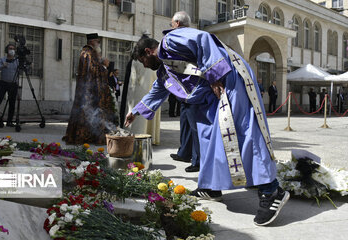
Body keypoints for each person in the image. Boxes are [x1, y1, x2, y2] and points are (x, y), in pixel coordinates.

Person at [125, 11, 289, 226]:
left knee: (244, 131)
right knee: (209, 138)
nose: (144, 66)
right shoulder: (164, 70)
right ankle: (211, 187)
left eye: (142, 61)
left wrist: (215, 75)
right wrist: (135, 111)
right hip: (211, 97)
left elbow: (203, 39)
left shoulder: (170, 40)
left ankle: (271, 190)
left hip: (229, 80)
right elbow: (157, 92)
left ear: (148, 51)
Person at [63, 33, 118, 144]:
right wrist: (105, 67)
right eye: (98, 41)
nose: (99, 44)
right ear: (92, 42)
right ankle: (89, 136)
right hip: (90, 92)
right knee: (90, 113)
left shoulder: (88, 53)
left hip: (87, 90)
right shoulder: (88, 53)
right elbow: (94, 71)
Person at [167, 11, 200, 172]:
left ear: (177, 23)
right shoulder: (178, 38)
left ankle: (197, 160)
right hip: (184, 92)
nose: (171, 27)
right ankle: (184, 152)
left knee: (195, 127)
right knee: (185, 124)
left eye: (172, 23)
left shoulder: (190, 38)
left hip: (195, 89)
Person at [0, 44, 18, 127]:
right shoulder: (2, 59)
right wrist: (3, 66)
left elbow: (22, 69)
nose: (12, 50)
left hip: (13, 84)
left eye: (13, 49)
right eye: (10, 48)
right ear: (7, 50)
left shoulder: (17, 60)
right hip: (3, 83)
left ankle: (9, 122)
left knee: (12, 103)